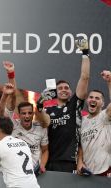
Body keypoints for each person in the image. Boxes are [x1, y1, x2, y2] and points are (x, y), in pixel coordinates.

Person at [40, 39, 90, 172]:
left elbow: (84, 77)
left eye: (66, 88)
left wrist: (85, 53)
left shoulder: (75, 105)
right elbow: (42, 123)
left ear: (71, 92)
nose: (63, 89)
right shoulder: (47, 109)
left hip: (70, 161)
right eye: (60, 88)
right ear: (55, 92)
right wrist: (40, 101)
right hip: (50, 161)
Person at [0, 83, 50, 174]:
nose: (27, 116)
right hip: (15, 172)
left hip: (35, 174)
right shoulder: (13, 125)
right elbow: (1, 114)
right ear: (19, 115)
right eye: (24, 113)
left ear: (33, 114)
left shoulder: (41, 128)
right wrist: (5, 95)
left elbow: (45, 150)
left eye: (30, 113)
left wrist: (42, 165)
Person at [77, 70, 111, 177]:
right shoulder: (81, 120)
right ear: (87, 100)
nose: (93, 99)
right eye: (91, 97)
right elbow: (80, 145)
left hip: (105, 170)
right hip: (86, 171)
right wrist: (80, 161)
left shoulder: (105, 116)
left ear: (102, 103)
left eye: (97, 98)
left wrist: (110, 82)